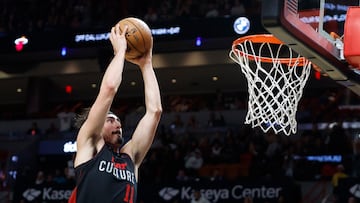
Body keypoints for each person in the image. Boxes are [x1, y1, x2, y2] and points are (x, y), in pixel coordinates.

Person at [68, 23, 162, 202]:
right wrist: (120, 52)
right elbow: (109, 88)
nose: (118, 124)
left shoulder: (131, 157)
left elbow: (155, 111)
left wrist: (146, 64)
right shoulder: (90, 145)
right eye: (110, 119)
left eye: (118, 120)